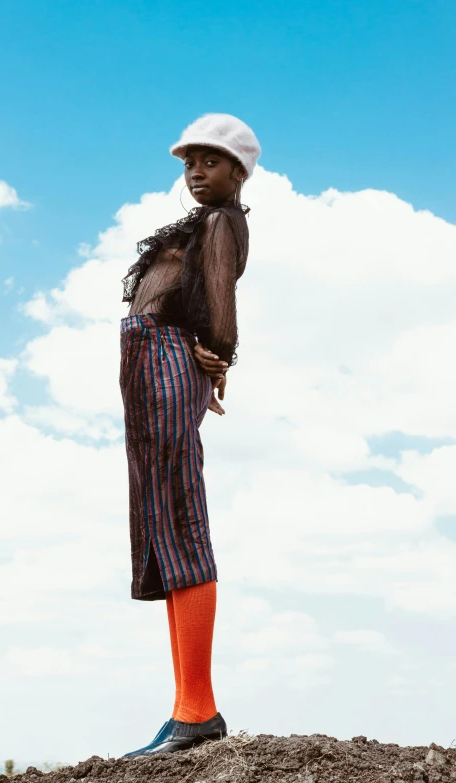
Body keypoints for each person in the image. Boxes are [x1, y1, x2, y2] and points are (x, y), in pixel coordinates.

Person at [119, 113, 261, 757]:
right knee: (161, 527)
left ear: (239, 172)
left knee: (179, 520)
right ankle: (186, 707)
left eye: (211, 161)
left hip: (172, 357)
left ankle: (197, 710)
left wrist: (218, 352)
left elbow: (217, 292)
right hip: (152, 361)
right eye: (189, 163)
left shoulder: (221, 222)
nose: (197, 171)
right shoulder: (199, 222)